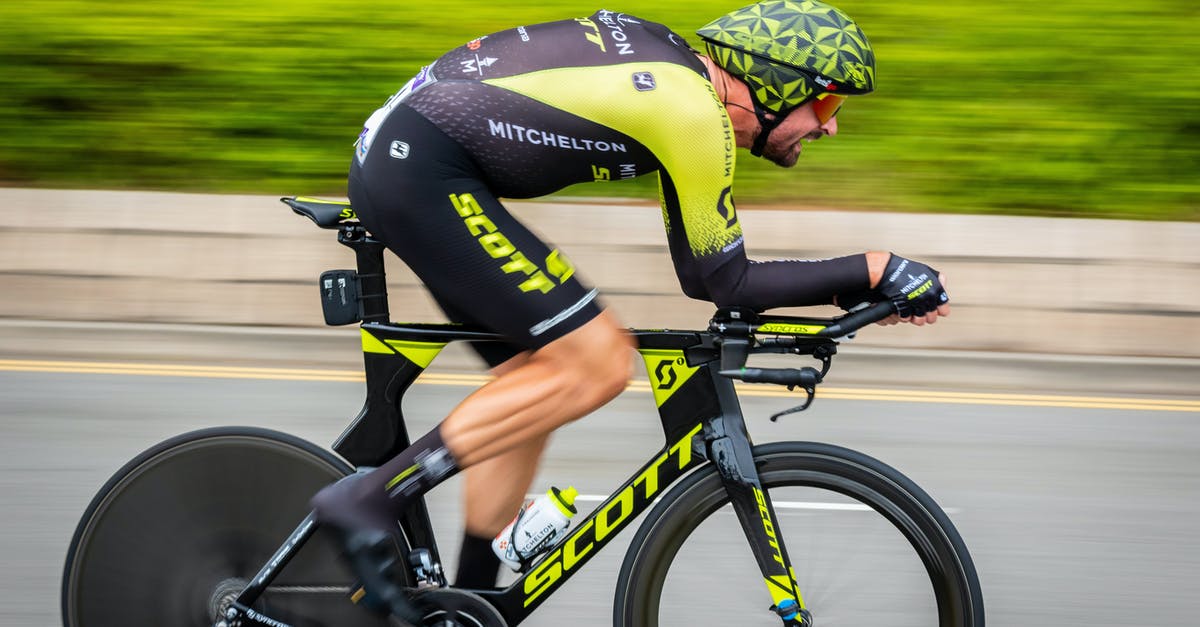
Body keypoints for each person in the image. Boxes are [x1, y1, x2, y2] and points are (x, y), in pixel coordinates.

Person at [310, 0, 951, 618]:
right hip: (422, 170)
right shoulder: (690, 113)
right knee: (597, 364)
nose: (831, 124)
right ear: (777, 82)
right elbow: (727, 281)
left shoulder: (681, 90)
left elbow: (705, 273)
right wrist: (875, 268)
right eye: (826, 101)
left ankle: (470, 602)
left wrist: (855, 288)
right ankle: (368, 498)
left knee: (540, 377)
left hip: (414, 158)